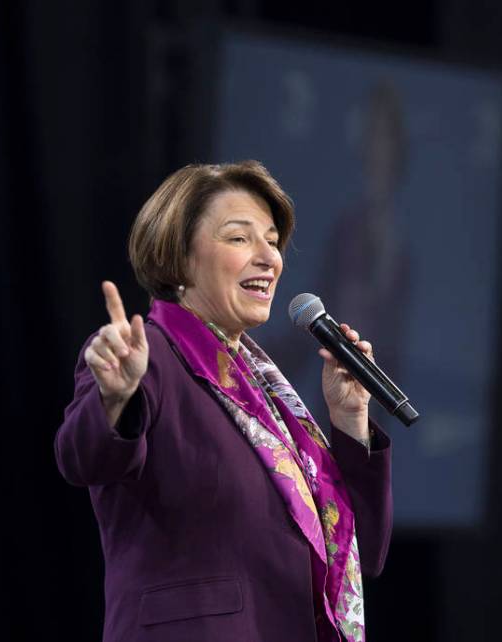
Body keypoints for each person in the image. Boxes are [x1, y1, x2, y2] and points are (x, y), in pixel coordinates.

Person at [54, 161, 393, 642]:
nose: (268, 258)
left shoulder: (268, 391)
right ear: (180, 257)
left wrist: (349, 418)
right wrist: (115, 398)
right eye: (239, 238)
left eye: (272, 241)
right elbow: (84, 457)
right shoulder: (147, 358)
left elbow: (363, 552)